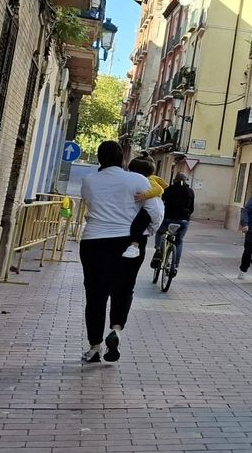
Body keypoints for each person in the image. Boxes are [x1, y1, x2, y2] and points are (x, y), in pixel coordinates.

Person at [77, 141, 164, 363]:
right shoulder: (137, 180)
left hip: (94, 241)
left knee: (95, 295)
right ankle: (116, 330)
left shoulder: (89, 181)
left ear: (99, 159)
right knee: (124, 290)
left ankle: (94, 347)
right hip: (128, 242)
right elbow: (154, 211)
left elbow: (89, 205)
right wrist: (147, 231)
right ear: (122, 159)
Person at [121, 159, 167, 259]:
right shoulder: (152, 178)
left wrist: (145, 195)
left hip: (152, 209)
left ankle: (134, 246)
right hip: (156, 208)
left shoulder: (147, 180)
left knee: (137, 226)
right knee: (140, 225)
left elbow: (160, 189)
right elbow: (164, 184)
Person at [151, 173, 195, 274]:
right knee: (179, 241)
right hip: (183, 221)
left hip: (168, 219)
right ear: (185, 181)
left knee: (160, 232)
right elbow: (192, 208)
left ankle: (158, 250)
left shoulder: (168, 190)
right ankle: (174, 265)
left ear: (174, 180)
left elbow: (161, 203)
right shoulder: (190, 191)